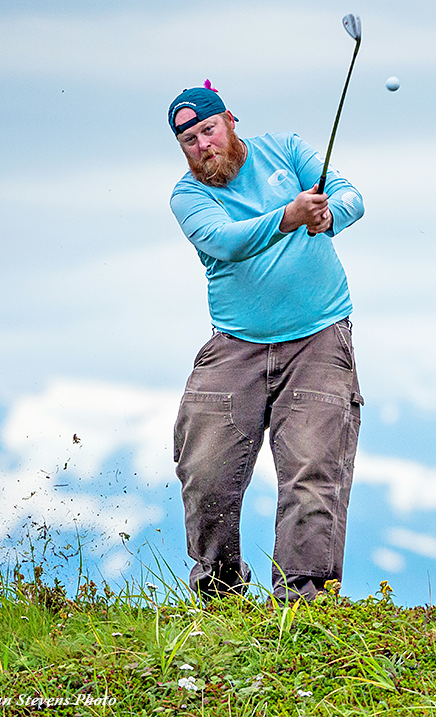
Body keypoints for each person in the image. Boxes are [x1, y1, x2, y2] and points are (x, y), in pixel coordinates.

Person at [168, 81, 364, 603]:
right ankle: (220, 592)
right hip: (236, 345)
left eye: (208, 130)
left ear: (230, 120)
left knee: (311, 470)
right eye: (189, 140)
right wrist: (289, 217)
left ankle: (303, 603)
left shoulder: (288, 149)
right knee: (205, 471)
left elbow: (350, 196)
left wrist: (328, 216)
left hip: (319, 337)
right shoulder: (188, 197)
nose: (202, 145)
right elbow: (228, 243)